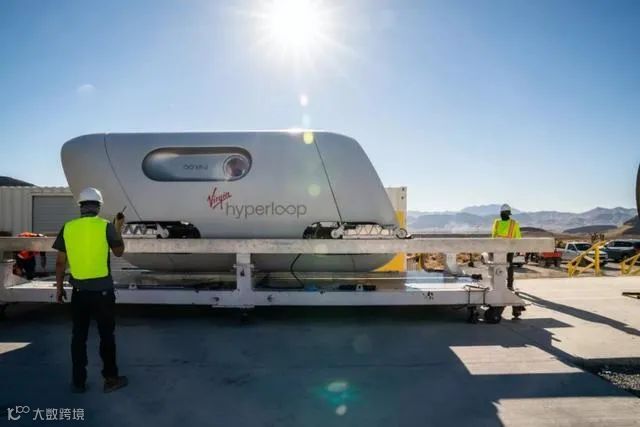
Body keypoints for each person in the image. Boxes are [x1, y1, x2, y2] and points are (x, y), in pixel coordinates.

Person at [53, 187, 128, 393]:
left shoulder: (68, 227)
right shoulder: (106, 226)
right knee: (106, 336)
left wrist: (59, 289)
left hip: (79, 293)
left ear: (80, 206)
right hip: (103, 293)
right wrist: (118, 228)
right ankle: (111, 380)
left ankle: (78, 383)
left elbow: (60, 263)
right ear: (98, 207)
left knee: (79, 338)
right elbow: (119, 252)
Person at [492, 204, 524, 317]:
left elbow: (493, 236)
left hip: (500, 249)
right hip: (507, 249)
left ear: (501, 213)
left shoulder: (498, 222)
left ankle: (504, 284)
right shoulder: (513, 223)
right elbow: (518, 237)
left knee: (500, 267)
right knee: (508, 267)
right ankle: (508, 285)